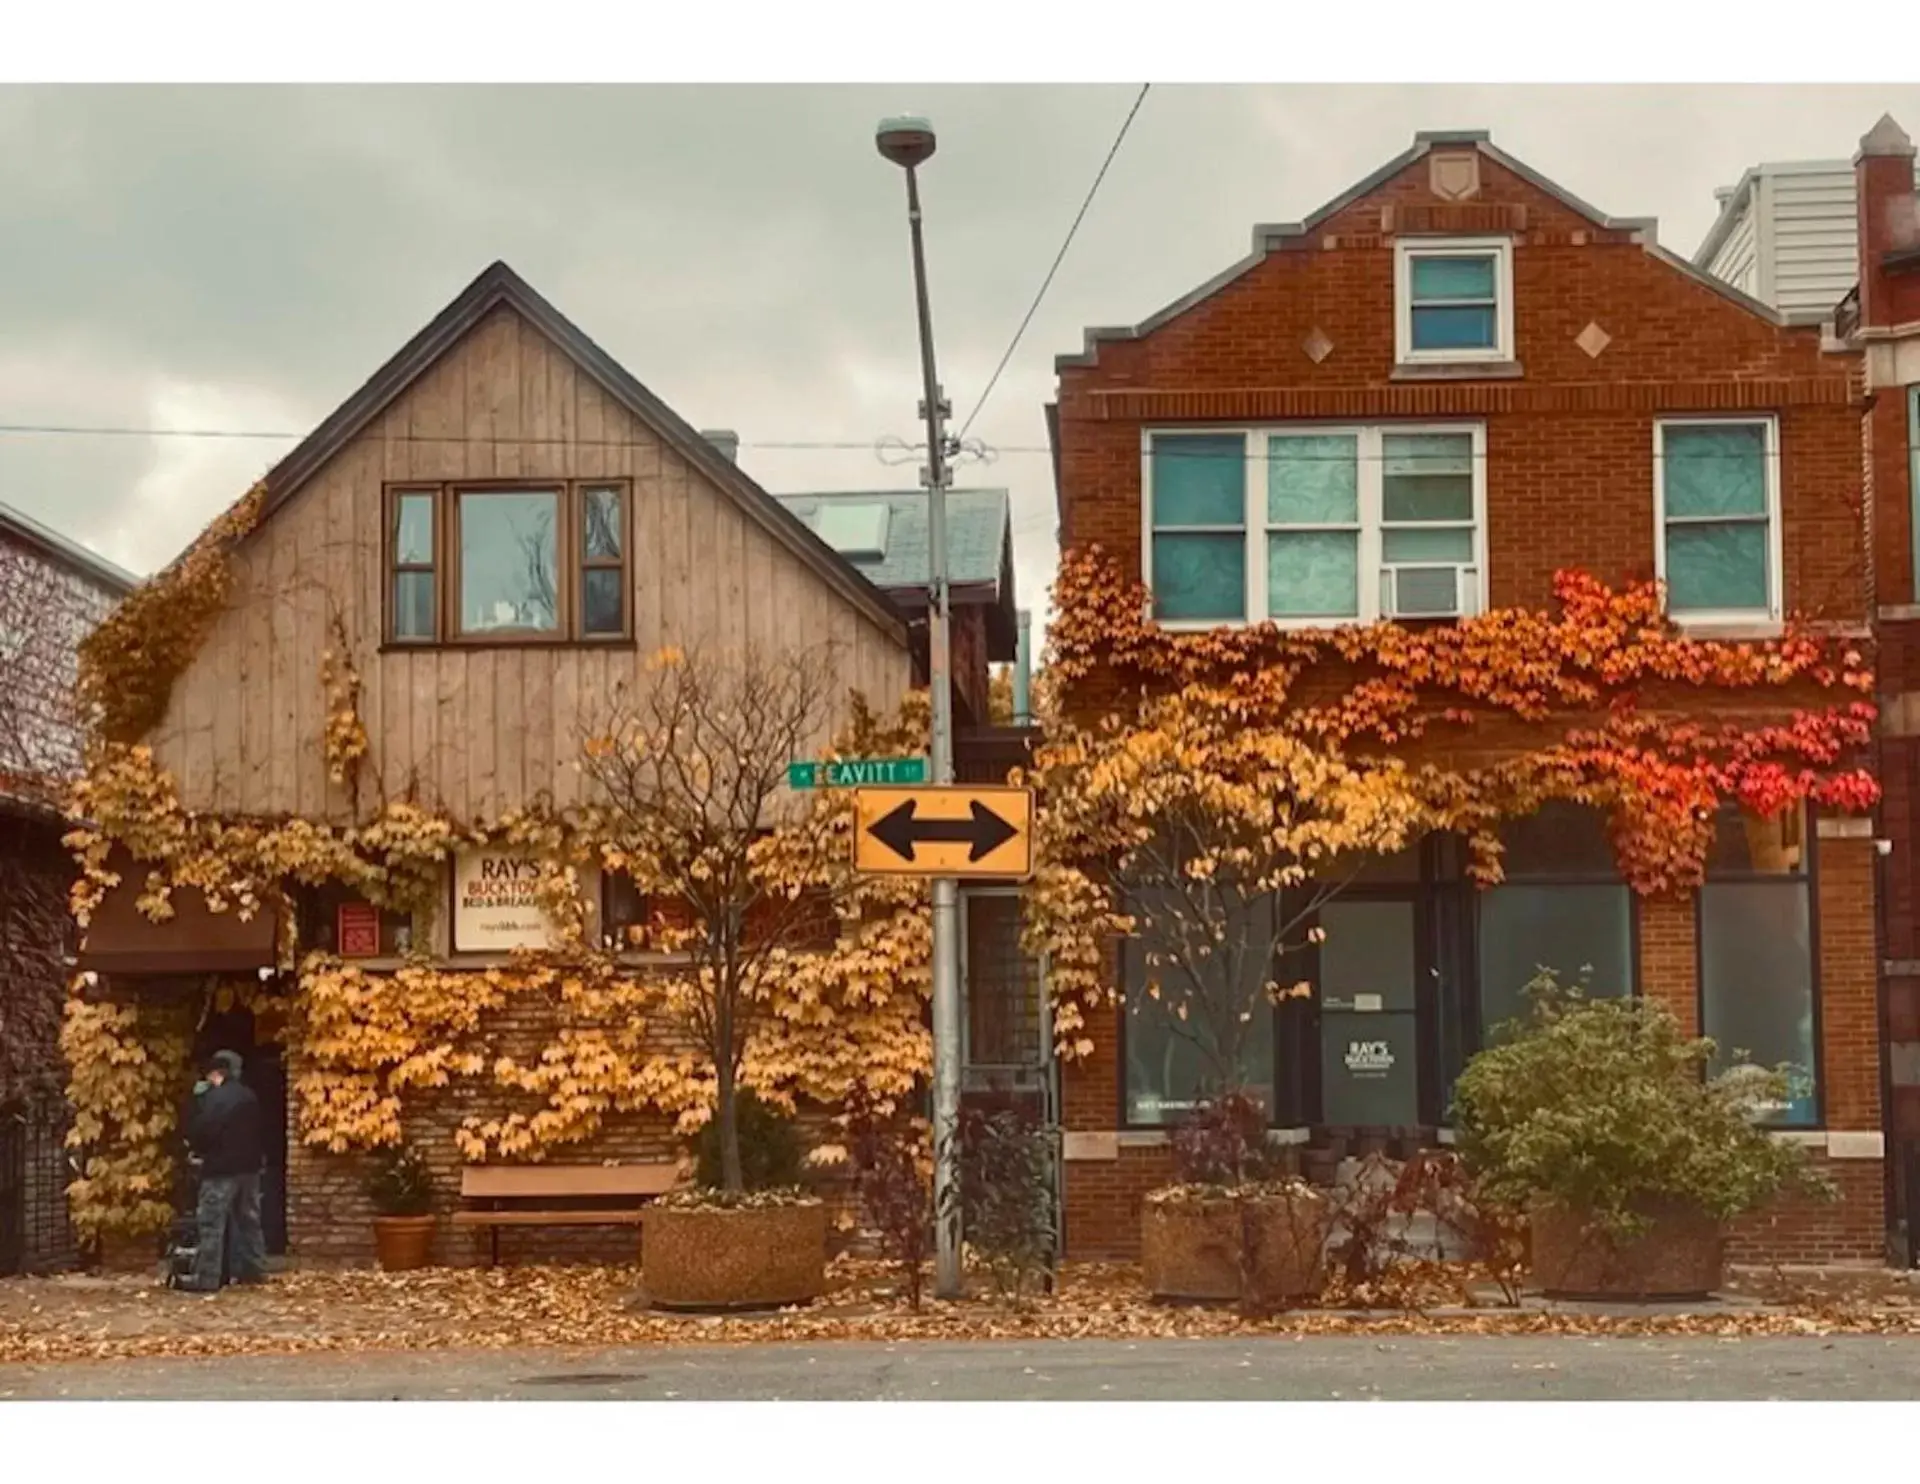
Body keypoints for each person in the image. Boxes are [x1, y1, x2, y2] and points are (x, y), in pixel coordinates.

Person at [180, 1049, 268, 1293]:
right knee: (249, 1220)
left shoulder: (215, 1099)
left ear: (215, 1073)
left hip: (221, 1169)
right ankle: (254, 1271)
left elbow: (202, 1131)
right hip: (249, 1169)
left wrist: (197, 1148)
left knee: (211, 1223)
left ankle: (207, 1277)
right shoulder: (249, 1096)